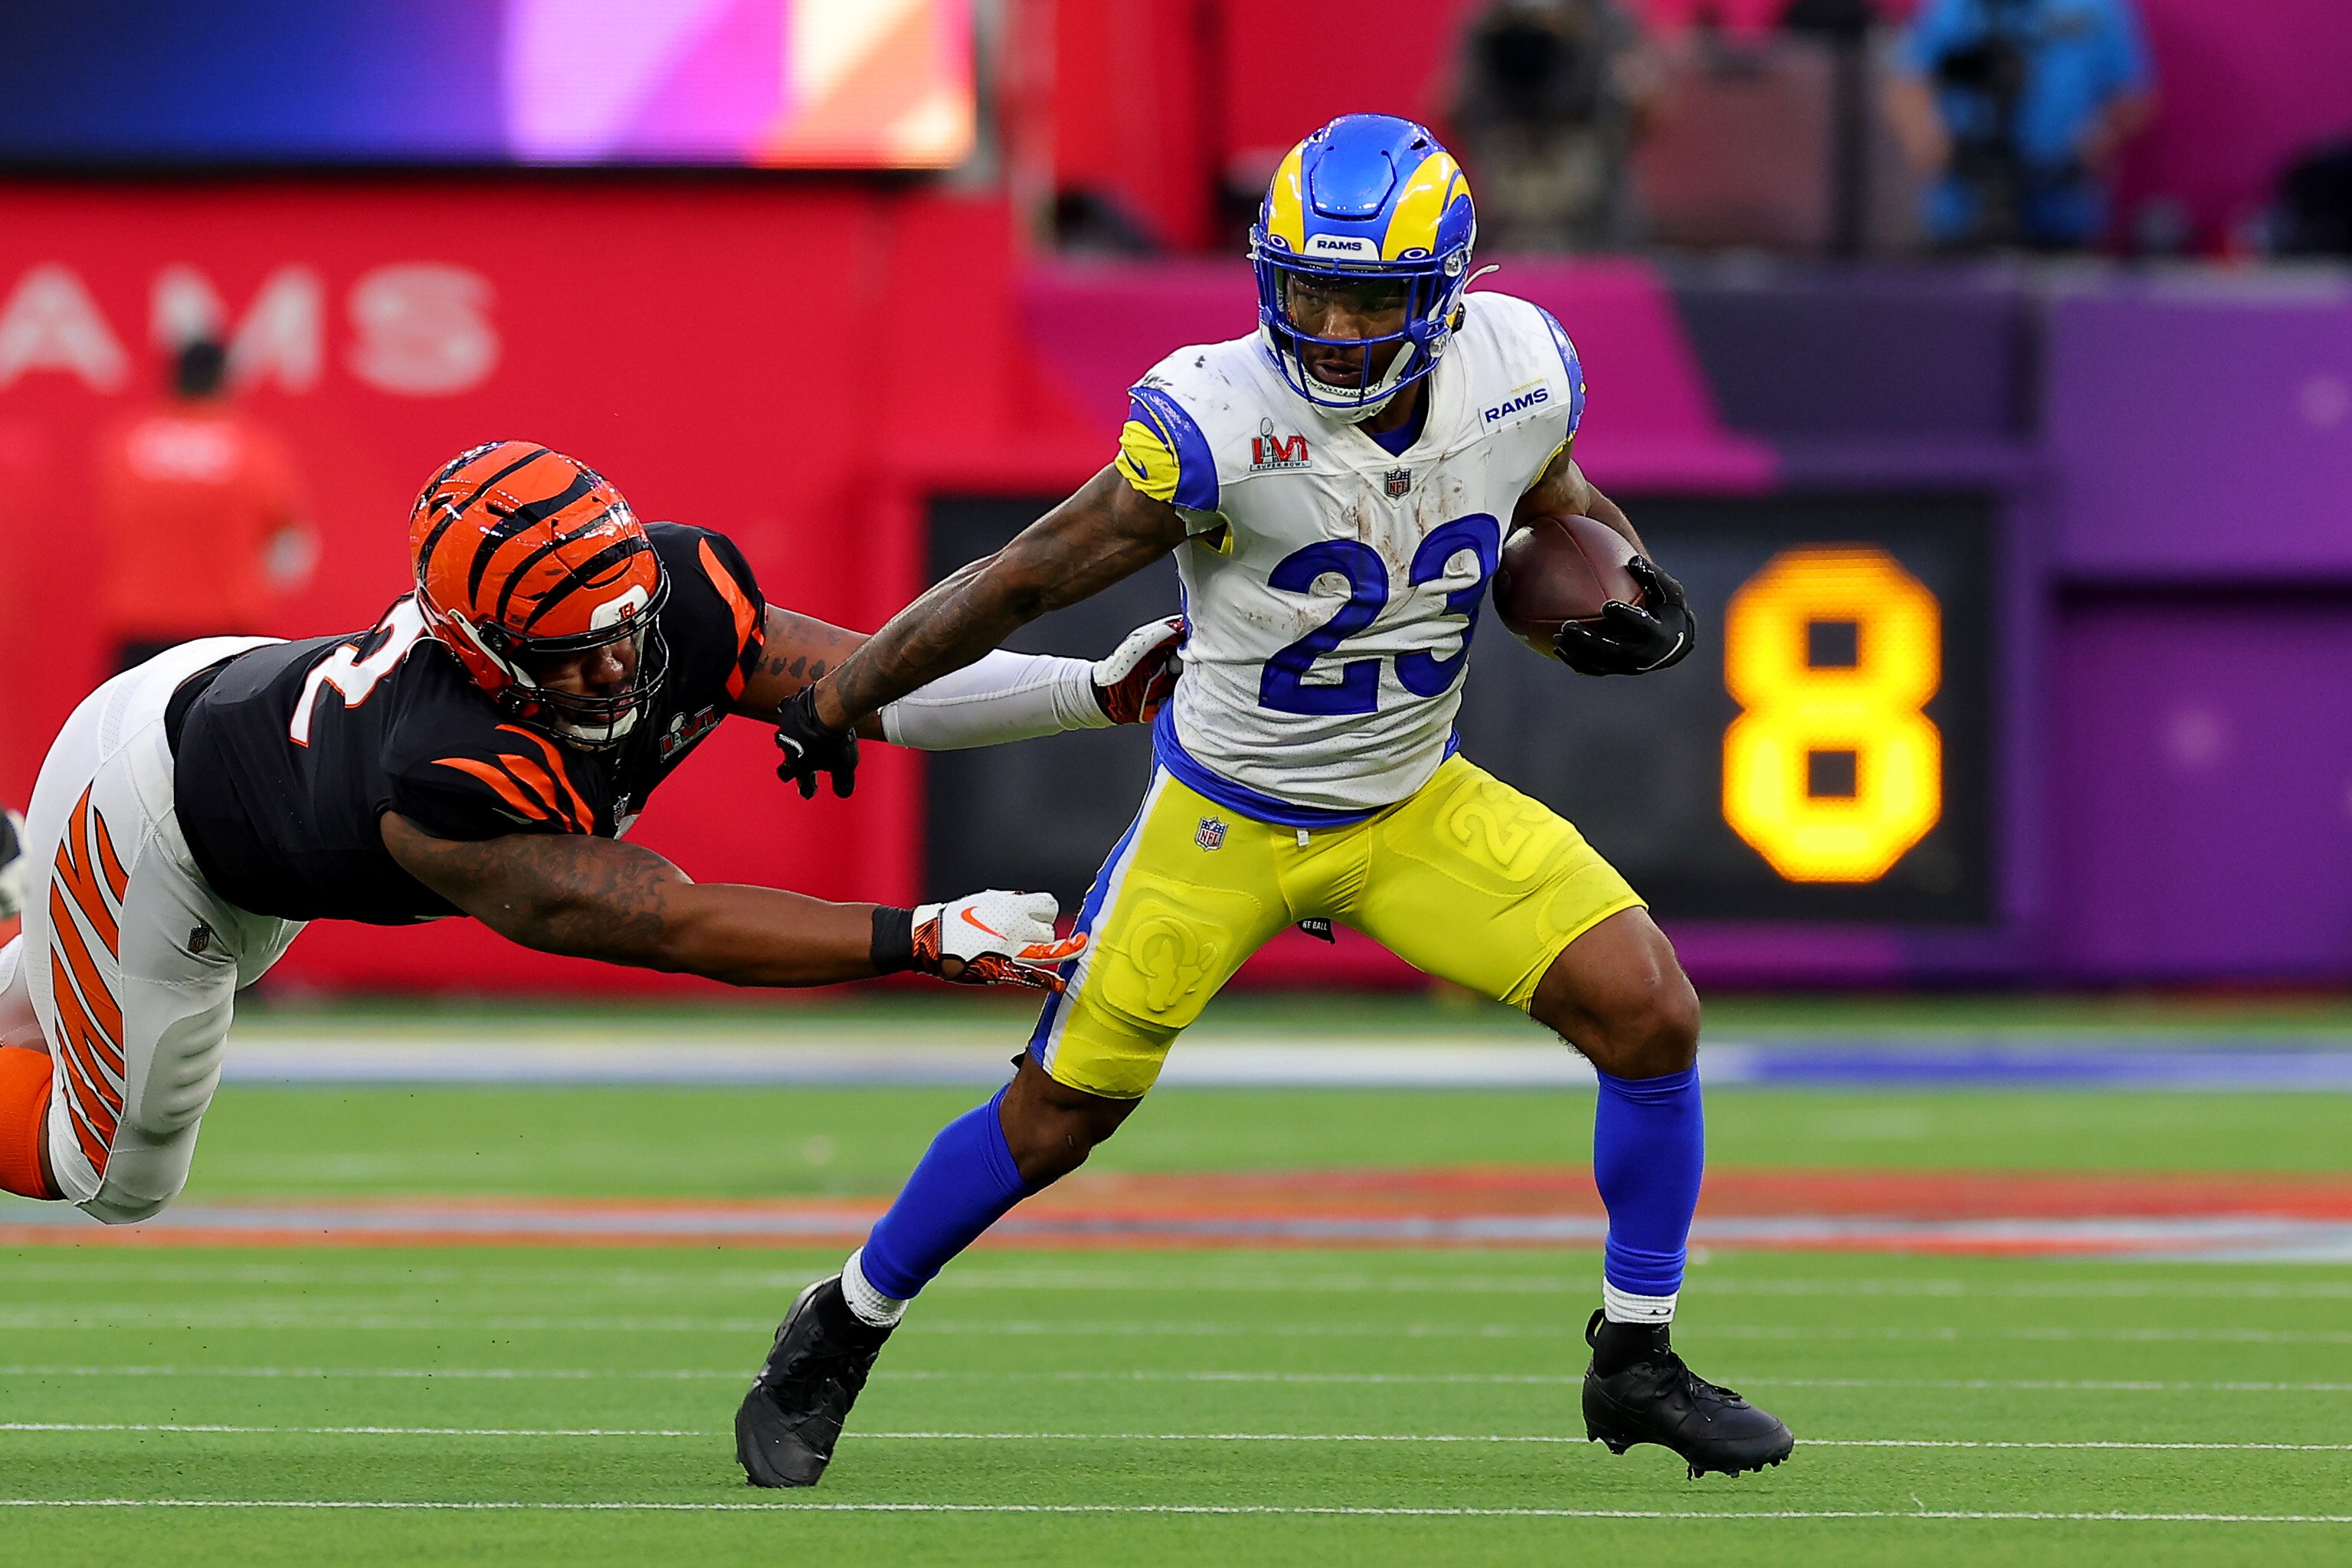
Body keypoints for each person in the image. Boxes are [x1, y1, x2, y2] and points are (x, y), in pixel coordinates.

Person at [739, 114, 1793, 1488]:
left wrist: (1627, 588)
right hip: (1225, 818)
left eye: (1371, 296)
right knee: (1061, 1110)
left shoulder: (1521, 369)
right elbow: (1022, 577)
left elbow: (1565, 509)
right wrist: (846, 692)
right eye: (1309, 287)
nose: (1334, 323)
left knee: (1650, 1009)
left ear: (1447, 296)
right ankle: (841, 1324)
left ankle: (1636, 1358)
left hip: (1412, 800)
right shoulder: (1217, 418)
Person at [0, 440, 1184, 1225]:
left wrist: (1087, 689)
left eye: (623, 624)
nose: (618, 661)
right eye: (574, 648)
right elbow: (665, 916)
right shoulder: (441, 775)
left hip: (242, 753)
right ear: (478, 646)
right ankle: (34, 878)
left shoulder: (672, 593)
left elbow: (867, 679)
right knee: (116, 1169)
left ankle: (24, 895)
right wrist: (917, 934)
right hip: (158, 829)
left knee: (41, 999)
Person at [96, 339, 319, 673]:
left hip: (141, 629)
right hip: (224, 634)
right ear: (223, 379)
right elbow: (291, 552)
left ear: (173, 379)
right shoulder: (255, 451)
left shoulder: (125, 446)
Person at [1884, 0, 2155, 251]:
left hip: (2061, 210)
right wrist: (1929, 142)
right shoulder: (1954, 7)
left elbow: (2134, 96)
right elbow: (1907, 81)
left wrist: (2093, 141)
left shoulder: (2097, 7)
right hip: (1964, 209)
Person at [1447, 0, 1656, 253]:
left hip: (1588, 175)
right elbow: (1456, 102)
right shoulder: (1489, 22)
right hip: (1509, 154)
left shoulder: (1608, 22)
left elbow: (1640, 102)